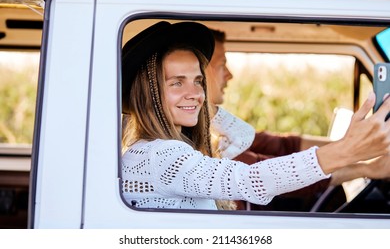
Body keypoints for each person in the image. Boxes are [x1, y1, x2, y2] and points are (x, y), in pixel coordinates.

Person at [121, 20, 390, 211]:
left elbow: (242, 137)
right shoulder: (162, 156)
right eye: (177, 82)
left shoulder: (167, 149)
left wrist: (196, 103)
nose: (195, 92)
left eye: (199, 81)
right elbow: (251, 179)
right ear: (149, 94)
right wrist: (346, 150)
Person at [207, 28, 390, 210]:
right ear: (203, 71)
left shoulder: (222, 132)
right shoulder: (199, 146)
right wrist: (366, 167)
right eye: (223, 64)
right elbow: (273, 177)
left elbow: (282, 146)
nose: (230, 74)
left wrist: (357, 145)